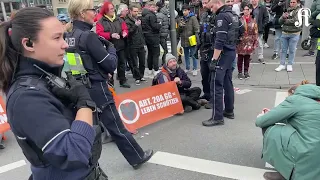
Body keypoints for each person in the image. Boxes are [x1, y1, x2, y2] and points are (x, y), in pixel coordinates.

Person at [1, 7, 107, 179]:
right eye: (57, 38)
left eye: (63, 36)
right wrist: (84, 104)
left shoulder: (43, 76)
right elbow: (74, 152)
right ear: (28, 44)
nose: (65, 44)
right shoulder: (27, 97)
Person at [65, 0, 153, 169]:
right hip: (97, 88)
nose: (95, 13)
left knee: (89, 131)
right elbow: (111, 64)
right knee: (116, 126)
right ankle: (137, 157)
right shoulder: (88, 36)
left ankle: (85, 166)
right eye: (93, 10)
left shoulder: (70, 36)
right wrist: (111, 47)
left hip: (80, 87)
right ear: (82, 13)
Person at [256, 80, 320, 180]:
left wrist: (264, 116)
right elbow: (302, 118)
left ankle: (286, 173)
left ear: (294, 93)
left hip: (308, 151)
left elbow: (260, 121)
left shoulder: (296, 100)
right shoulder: (315, 100)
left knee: (269, 128)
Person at [202, 0, 244, 127]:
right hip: (231, 52)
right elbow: (241, 31)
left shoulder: (222, 16)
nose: (211, 9)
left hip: (222, 53)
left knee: (216, 84)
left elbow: (219, 41)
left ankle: (217, 117)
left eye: (211, 5)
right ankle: (229, 110)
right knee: (227, 81)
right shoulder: (234, 15)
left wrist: (214, 60)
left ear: (217, 2)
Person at [96, 1, 131, 88]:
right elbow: (99, 34)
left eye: (113, 8)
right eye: (111, 9)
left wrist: (124, 33)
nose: (113, 10)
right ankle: (110, 83)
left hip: (121, 45)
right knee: (110, 66)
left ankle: (122, 80)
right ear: (106, 10)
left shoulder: (119, 19)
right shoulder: (101, 21)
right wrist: (110, 35)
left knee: (122, 64)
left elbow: (125, 29)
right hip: (109, 47)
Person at [275, 0, 301, 72]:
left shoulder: (299, 11)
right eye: (291, 2)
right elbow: (279, 21)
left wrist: (285, 20)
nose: (292, 4)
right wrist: (283, 17)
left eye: (293, 2)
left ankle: (290, 64)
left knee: (292, 50)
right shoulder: (287, 10)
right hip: (285, 33)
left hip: (294, 33)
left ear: (297, 3)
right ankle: (282, 64)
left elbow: (296, 21)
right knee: (283, 50)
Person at [125, 4, 147, 85]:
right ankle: (137, 77)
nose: (136, 13)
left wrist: (143, 42)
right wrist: (135, 25)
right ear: (130, 11)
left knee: (142, 61)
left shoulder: (138, 19)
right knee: (134, 62)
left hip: (140, 43)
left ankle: (141, 76)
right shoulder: (127, 21)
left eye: (137, 11)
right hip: (133, 44)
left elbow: (141, 32)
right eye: (135, 11)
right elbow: (128, 32)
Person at [199, 0, 215, 109]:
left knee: (212, 76)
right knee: (204, 74)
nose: (204, 5)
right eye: (203, 3)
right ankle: (207, 94)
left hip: (213, 49)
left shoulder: (216, 15)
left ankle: (214, 98)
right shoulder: (203, 15)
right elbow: (200, 32)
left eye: (206, 3)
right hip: (203, 48)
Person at [236, 3, 258, 79]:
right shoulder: (239, 20)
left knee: (247, 58)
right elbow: (236, 31)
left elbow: (255, 32)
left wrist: (255, 43)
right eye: (244, 9)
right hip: (241, 42)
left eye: (247, 9)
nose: (245, 11)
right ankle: (239, 72)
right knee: (240, 57)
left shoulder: (253, 21)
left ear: (250, 10)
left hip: (249, 42)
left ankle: (246, 71)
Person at [179, 4, 200, 76]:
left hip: (191, 39)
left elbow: (196, 28)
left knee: (193, 55)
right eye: (183, 10)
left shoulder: (193, 18)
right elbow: (179, 30)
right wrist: (180, 26)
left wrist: (197, 38)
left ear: (188, 10)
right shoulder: (182, 18)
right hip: (184, 39)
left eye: (185, 10)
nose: (184, 12)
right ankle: (187, 68)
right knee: (186, 55)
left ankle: (194, 68)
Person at [141, 2, 161, 77]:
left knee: (150, 53)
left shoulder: (143, 15)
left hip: (147, 36)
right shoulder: (151, 15)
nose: (154, 8)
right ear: (149, 7)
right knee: (156, 53)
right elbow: (154, 26)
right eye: (153, 7)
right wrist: (159, 25)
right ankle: (155, 69)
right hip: (153, 36)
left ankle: (149, 69)